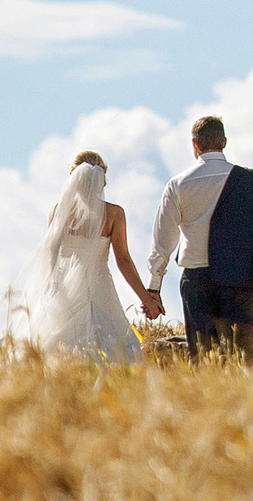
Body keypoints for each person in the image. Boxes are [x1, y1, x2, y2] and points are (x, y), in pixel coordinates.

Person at [146, 115, 253, 361]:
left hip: (197, 278)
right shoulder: (252, 182)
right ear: (225, 142)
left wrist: (153, 288)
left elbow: (162, 241)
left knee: (202, 357)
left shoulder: (178, 184)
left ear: (194, 144)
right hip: (239, 278)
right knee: (243, 357)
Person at [16, 150, 156, 362]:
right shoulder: (114, 214)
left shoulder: (58, 211)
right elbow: (123, 260)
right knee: (117, 344)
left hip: (63, 287)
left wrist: (47, 288)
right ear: (102, 179)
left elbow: (50, 253)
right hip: (100, 287)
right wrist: (146, 298)